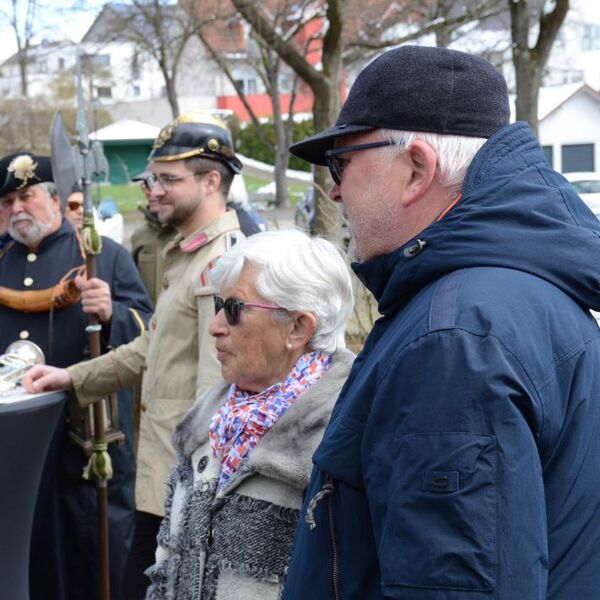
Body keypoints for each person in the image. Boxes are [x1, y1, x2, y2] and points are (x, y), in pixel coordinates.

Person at [282, 45, 600, 599]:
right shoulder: (512, 295)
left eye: (342, 162)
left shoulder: (455, 339)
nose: (333, 188)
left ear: (416, 169)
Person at [23, 112, 245, 598]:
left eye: (168, 179)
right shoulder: (189, 254)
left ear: (212, 181)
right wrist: (70, 378)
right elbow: (152, 346)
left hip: (184, 486)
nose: (154, 190)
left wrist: (200, 500)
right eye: (153, 178)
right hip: (162, 481)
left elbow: (219, 391)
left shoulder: (224, 261)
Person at [140, 229, 354, 599]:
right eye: (218, 305)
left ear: (298, 327)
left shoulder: (340, 437)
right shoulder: (209, 422)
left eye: (234, 309)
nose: (215, 326)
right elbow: (166, 566)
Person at [0, 152, 153, 600]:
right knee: (29, 548)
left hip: (88, 436)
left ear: (53, 198)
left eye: (26, 196)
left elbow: (150, 331)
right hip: (16, 444)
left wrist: (112, 315)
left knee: (95, 548)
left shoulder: (102, 258)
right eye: (7, 201)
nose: (16, 209)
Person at [130, 167, 176, 306]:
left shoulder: (187, 233)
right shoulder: (139, 236)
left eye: (154, 182)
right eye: (145, 185)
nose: (149, 192)